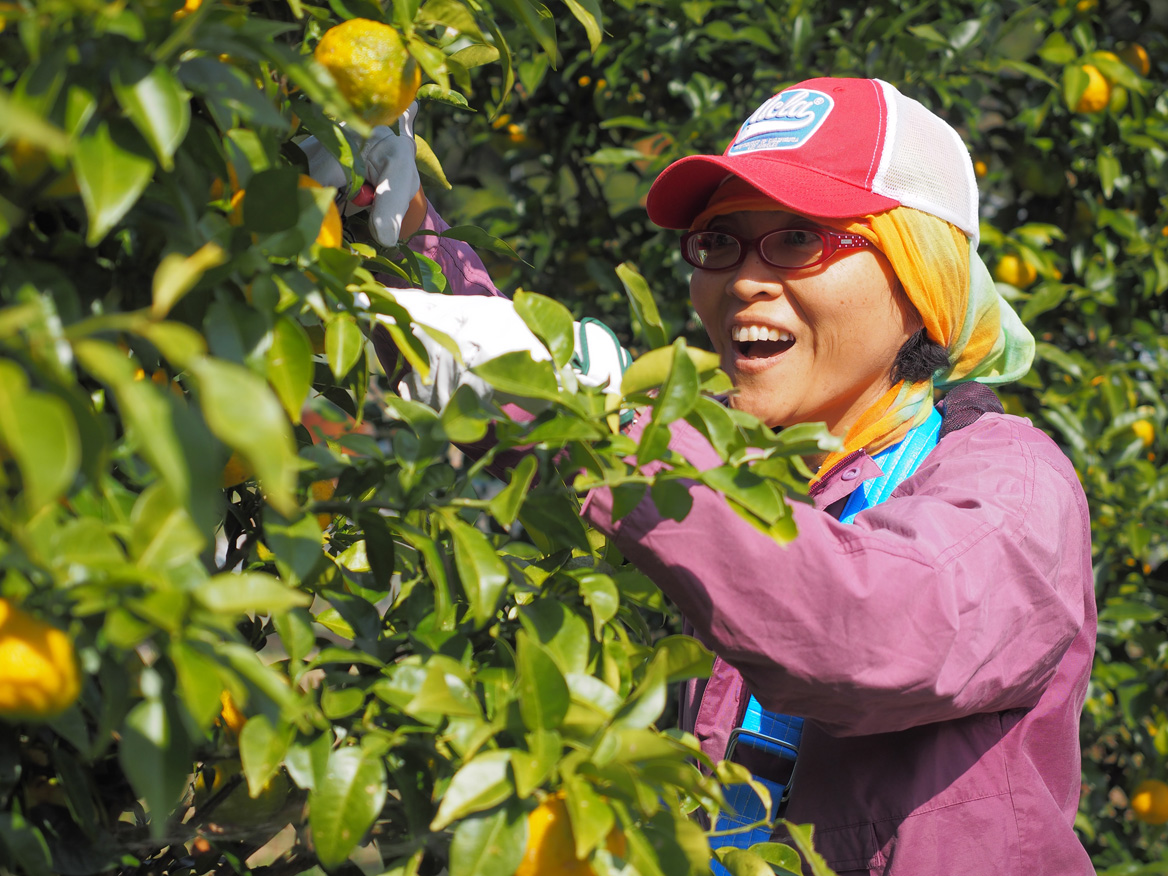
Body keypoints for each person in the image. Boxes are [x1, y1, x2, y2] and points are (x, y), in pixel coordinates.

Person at [307, 76, 1097, 875]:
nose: (745, 278)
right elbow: (535, 391)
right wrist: (405, 231)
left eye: (799, 238)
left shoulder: (1009, 482)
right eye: (720, 242)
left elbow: (863, 628)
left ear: (919, 281)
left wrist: (595, 416)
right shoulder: (754, 460)